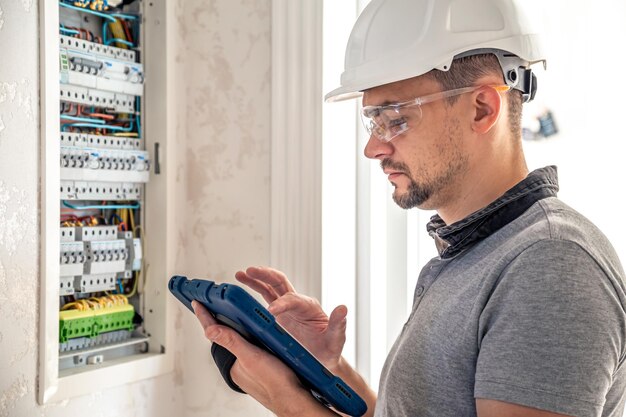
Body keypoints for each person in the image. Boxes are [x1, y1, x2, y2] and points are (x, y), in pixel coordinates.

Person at [193, 0, 626, 416]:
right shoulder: (471, 254)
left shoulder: (550, 265)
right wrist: (327, 371)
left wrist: (286, 401)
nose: (372, 147)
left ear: (482, 108)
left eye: (395, 117)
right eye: (373, 121)